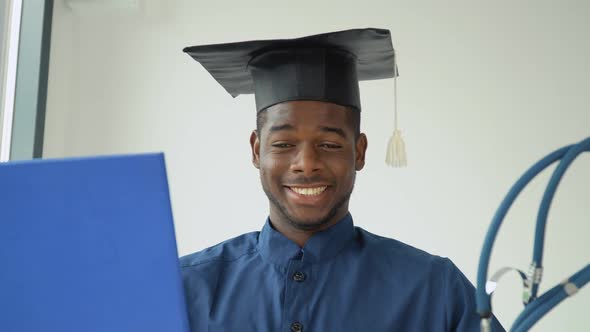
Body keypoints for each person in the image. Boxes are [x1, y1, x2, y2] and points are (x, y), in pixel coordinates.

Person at [180, 28, 505, 332]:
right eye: (283, 144)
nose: (306, 164)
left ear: (359, 152)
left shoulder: (433, 290)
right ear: (256, 150)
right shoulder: (187, 288)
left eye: (329, 145)